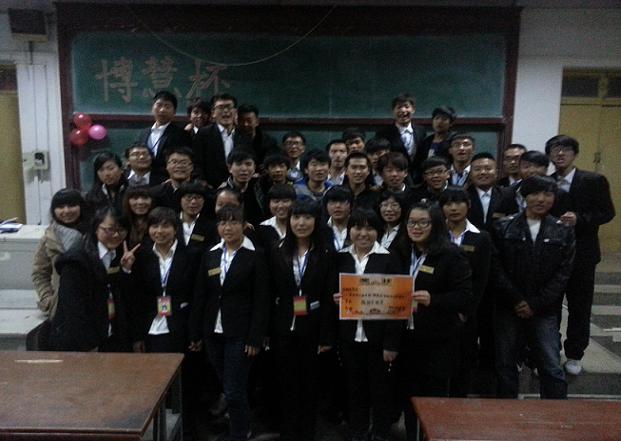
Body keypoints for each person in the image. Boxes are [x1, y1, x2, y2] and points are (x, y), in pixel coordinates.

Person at [189, 205, 269, 441]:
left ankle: (239, 433)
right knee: (229, 386)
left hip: (241, 333)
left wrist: (255, 337)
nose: (228, 227)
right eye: (223, 222)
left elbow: (262, 300)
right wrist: (195, 333)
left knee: (233, 389)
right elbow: (200, 295)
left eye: (234, 222)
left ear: (244, 226)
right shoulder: (211, 254)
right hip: (213, 331)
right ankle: (239, 425)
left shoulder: (255, 255)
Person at [491, 175, 575, 398]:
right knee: (505, 363)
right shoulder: (503, 227)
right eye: (535, 194)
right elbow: (496, 269)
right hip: (508, 306)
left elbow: (563, 273)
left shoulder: (563, 230)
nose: (541, 199)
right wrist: (517, 300)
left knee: (551, 364)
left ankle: (556, 413)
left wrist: (535, 304)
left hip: (544, 309)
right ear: (524, 197)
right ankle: (506, 410)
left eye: (547, 194)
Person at [394, 201, 471, 440]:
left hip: (437, 339)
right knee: (408, 393)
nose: (416, 227)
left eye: (423, 223)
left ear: (435, 225)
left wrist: (433, 299)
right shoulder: (400, 251)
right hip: (406, 336)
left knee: (432, 397)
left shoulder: (451, 254)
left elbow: (464, 296)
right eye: (411, 222)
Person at [546, 134, 615, 376]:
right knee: (550, 306)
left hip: (583, 254)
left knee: (579, 307)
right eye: (555, 149)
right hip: (551, 255)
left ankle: (575, 354)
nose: (560, 153)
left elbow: (607, 213)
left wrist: (580, 219)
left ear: (575, 154)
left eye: (566, 149)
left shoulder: (594, 180)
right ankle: (550, 351)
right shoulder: (545, 182)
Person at [132, 206, 202, 440]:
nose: (159, 231)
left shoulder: (191, 254)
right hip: (152, 328)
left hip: (181, 327)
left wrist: (195, 333)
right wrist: (138, 336)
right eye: (154, 226)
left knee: (186, 385)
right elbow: (138, 298)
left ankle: (187, 432)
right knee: (156, 385)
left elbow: (197, 296)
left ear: (175, 229)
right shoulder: (142, 255)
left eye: (165, 226)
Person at [334, 208, 404, 441]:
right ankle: (358, 430)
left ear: (378, 231)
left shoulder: (389, 258)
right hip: (349, 337)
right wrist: (336, 298)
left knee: (381, 389)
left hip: (379, 339)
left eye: (369, 228)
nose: (363, 233)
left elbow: (398, 304)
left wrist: (391, 344)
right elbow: (330, 291)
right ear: (349, 230)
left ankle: (381, 432)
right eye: (357, 227)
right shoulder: (341, 257)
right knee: (354, 388)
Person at [270, 200, 336, 441]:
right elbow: (269, 291)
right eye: (296, 217)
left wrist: (326, 335)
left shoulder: (326, 252)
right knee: (285, 383)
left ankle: (307, 433)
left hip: (314, 326)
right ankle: (288, 433)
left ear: (316, 221)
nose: (301, 223)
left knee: (310, 384)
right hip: (283, 325)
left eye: (307, 218)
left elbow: (329, 297)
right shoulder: (277, 249)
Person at [49, 207, 140, 352]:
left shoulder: (120, 254)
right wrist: (89, 346)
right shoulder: (77, 261)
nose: (116, 235)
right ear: (96, 228)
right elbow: (73, 310)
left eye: (121, 230)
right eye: (109, 230)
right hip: (81, 344)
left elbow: (122, 296)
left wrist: (125, 270)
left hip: (111, 337)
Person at [438, 187, 491, 397]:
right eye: (448, 204)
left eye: (458, 203)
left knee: (464, 360)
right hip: (437, 308)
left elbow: (481, 279)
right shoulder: (436, 234)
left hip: (466, 313)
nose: (453, 208)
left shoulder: (481, 237)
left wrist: (465, 311)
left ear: (468, 205)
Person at [32, 189, 86, 319]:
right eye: (60, 207)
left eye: (71, 205)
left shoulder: (93, 234)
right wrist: (48, 299)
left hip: (92, 304)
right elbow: (39, 273)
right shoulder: (49, 238)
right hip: (62, 307)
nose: (66, 211)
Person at [136, 90, 191, 185]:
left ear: (174, 112)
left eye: (167, 106)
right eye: (159, 105)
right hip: (142, 181)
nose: (162, 110)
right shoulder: (143, 133)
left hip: (167, 182)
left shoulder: (181, 134)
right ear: (152, 108)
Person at [192, 93, 246, 188]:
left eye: (229, 107)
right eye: (221, 107)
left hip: (238, 187)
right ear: (213, 113)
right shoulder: (204, 134)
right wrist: (203, 182)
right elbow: (197, 162)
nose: (225, 111)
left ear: (235, 111)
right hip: (211, 188)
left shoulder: (243, 135)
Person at [375, 93, 426, 168]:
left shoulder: (421, 131)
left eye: (406, 106)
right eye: (399, 107)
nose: (403, 110)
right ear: (393, 111)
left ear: (413, 109)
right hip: (395, 172)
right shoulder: (383, 133)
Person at [221, 149, 266, 226]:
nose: (244, 169)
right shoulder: (222, 193)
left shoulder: (261, 189)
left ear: (254, 167)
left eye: (248, 164)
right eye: (238, 164)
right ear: (229, 168)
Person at [466, 152, 506, 231]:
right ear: (470, 174)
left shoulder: (506, 195)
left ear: (496, 173)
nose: (483, 172)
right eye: (477, 169)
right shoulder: (464, 195)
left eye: (488, 168)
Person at [150, 146, 196, 211]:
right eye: (174, 162)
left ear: (191, 167)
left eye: (184, 162)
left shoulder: (202, 192)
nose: (179, 166)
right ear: (167, 166)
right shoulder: (155, 194)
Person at [85, 151, 128, 216]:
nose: (106, 174)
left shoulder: (131, 190)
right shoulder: (91, 197)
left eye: (111, 168)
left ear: (121, 169)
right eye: (101, 170)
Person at [177, 182, 211, 253]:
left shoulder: (210, 226)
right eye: (189, 197)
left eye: (198, 197)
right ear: (180, 199)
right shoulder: (171, 221)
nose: (193, 202)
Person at [324, 185, 353, 252]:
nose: (337, 206)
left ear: (351, 205)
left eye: (342, 201)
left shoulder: (357, 227)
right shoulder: (320, 228)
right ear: (326, 206)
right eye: (332, 202)